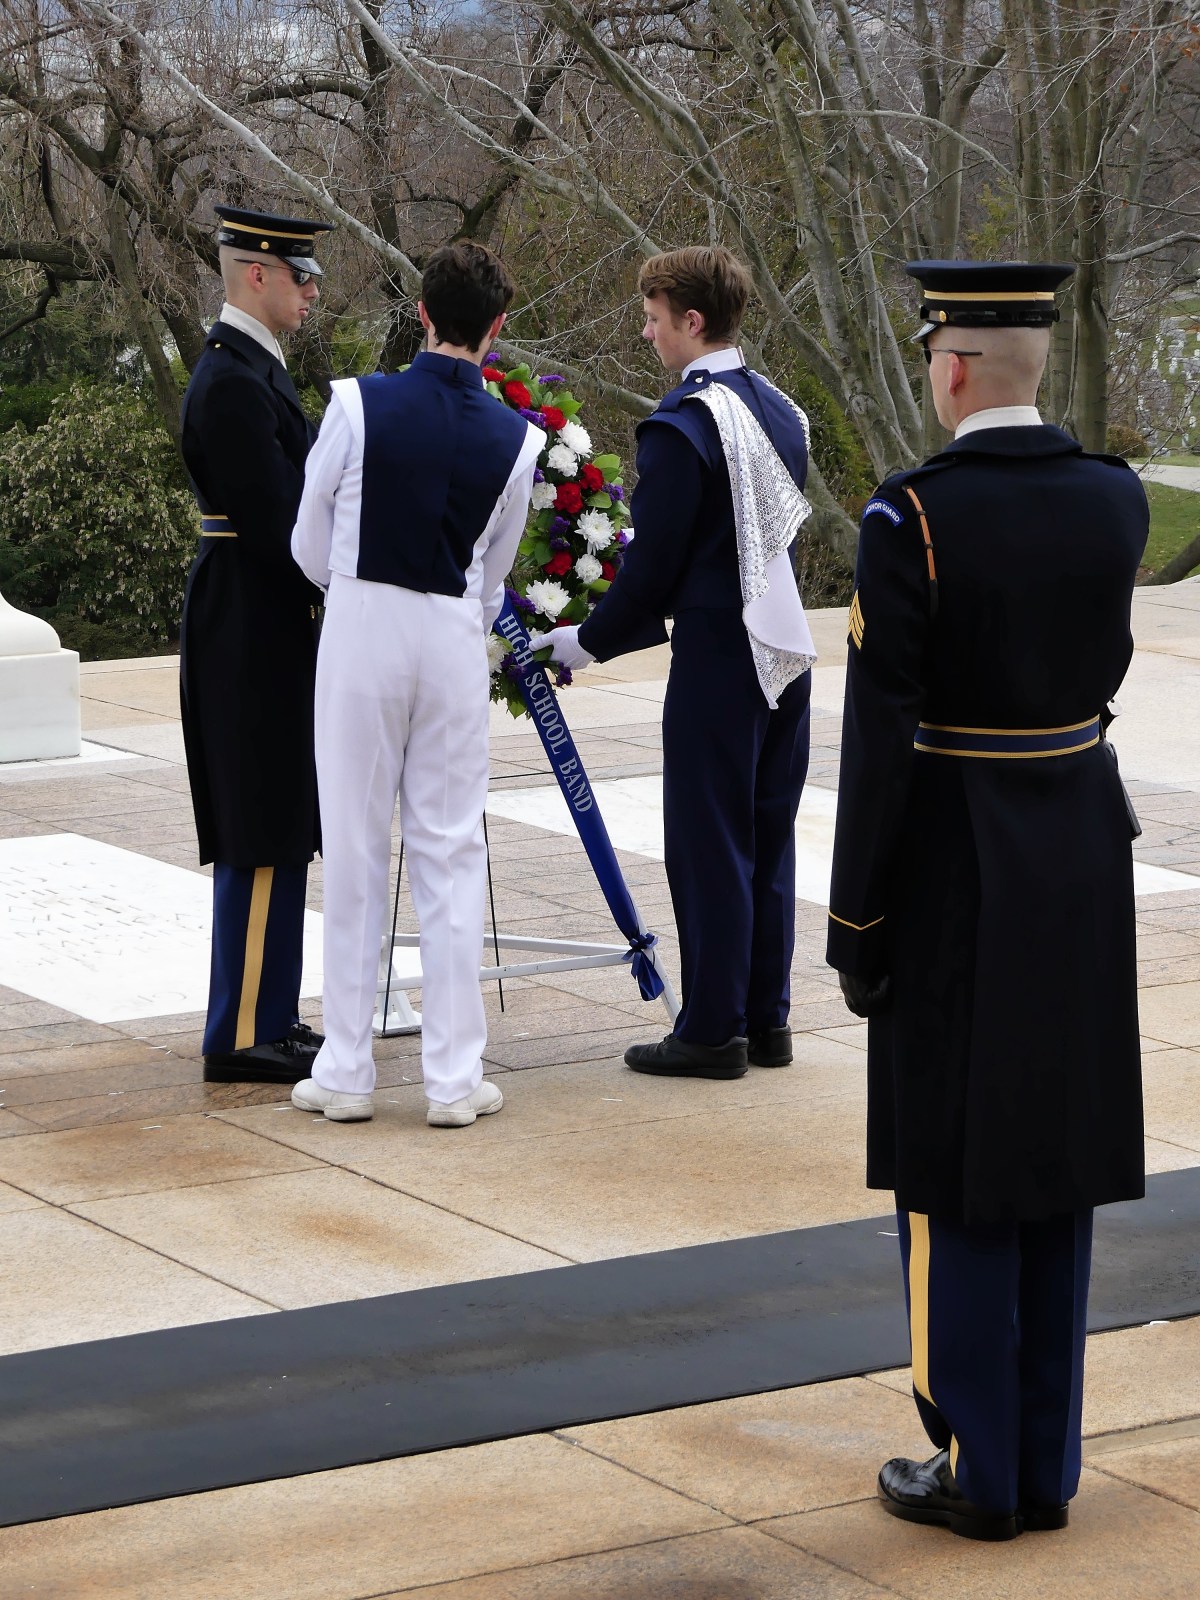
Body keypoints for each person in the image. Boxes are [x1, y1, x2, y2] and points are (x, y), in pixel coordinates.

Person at [827, 260, 1149, 1540]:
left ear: (951, 367)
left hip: (957, 863)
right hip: (1077, 849)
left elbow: (878, 742)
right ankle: (1043, 1461)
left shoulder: (911, 521)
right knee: (1053, 1155)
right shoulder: (1114, 500)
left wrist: (857, 923)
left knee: (956, 1164)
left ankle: (973, 1460)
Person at [538, 246, 816, 1080]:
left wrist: (583, 642)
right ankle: (765, 1021)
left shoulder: (682, 423)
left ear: (692, 322)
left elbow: (653, 569)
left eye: (655, 318)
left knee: (709, 839)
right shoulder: (783, 411)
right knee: (766, 835)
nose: (648, 332)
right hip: (785, 645)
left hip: (719, 652)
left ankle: (710, 1031)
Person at [289, 241, 542, 1125]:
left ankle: (349, 1070)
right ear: (497, 331)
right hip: (447, 632)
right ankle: (451, 1079)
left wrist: (356, 594)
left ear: (424, 313)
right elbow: (496, 571)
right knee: (448, 850)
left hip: (361, 622)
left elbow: (306, 541)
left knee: (354, 845)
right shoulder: (519, 439)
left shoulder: (357, 404)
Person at [180, 204, 333, 1084]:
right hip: (248, 619)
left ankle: (270, 1012)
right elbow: (281, 525)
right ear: (258, 276)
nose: (312, 293)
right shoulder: (234, 381)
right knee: (258, 823)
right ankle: (241, 1033)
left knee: (279, 819)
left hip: (259, 614)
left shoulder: (253, 370)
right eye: (301, 277)